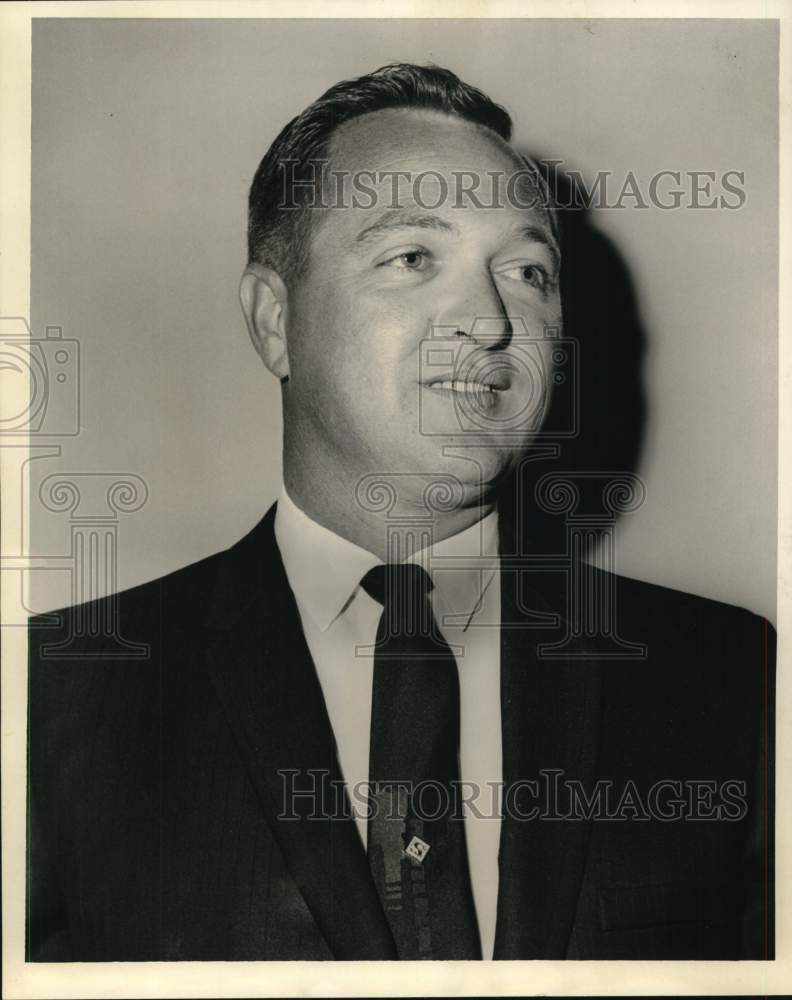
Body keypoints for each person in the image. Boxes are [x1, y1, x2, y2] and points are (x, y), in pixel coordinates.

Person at [27, 63, 775, 962]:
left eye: (528, 271)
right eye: (414, 257)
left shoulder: (736, 683)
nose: (490, 322)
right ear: (274, 320)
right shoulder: (56, 698)